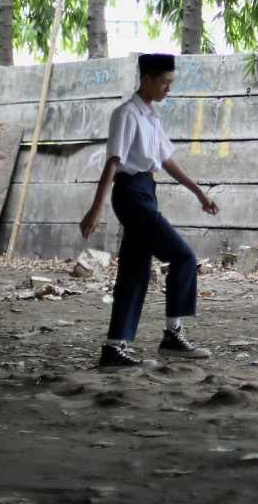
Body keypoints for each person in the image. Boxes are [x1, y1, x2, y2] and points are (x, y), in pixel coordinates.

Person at [81, 53, 220, 367]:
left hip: (146, 191)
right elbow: (114, 161)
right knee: (183, 256)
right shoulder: (126, 114)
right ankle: (173, 334)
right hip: (131, 193)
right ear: (146, 79)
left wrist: (200, 193)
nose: (168, 88)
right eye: (165, 82)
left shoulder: (150, 116)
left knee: (134, 271)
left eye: (171, 82)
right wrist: (96, 207)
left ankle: (114, 348)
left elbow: (166, 160)